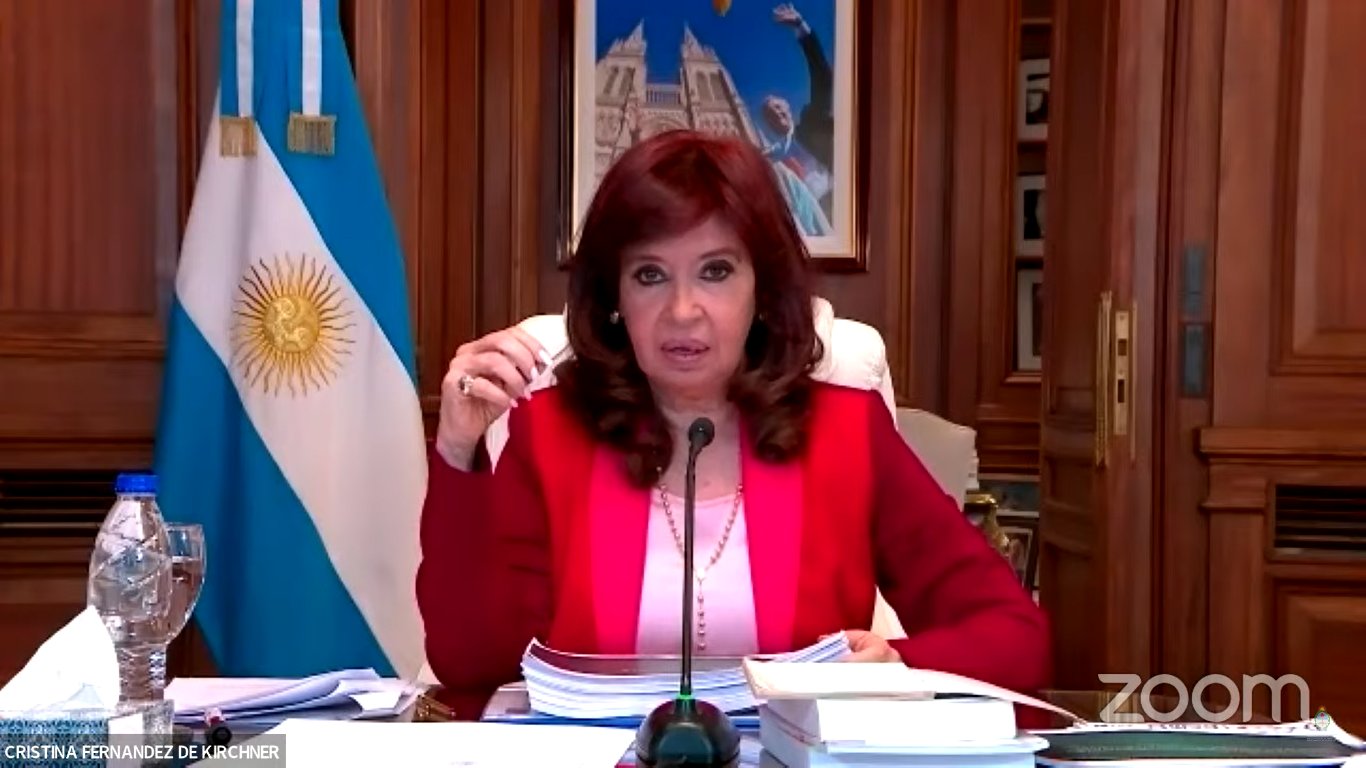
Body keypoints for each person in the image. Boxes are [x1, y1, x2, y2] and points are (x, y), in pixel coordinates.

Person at [416, 130, 1050, 701]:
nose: (683, 311)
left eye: (715, 271)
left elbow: (1016, 637)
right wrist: (458, 448)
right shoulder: (551, 432)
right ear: (614, 298)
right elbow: (470, 664)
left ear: (762, 289)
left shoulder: (847, 433)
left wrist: (898, 665)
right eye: (649, 275)